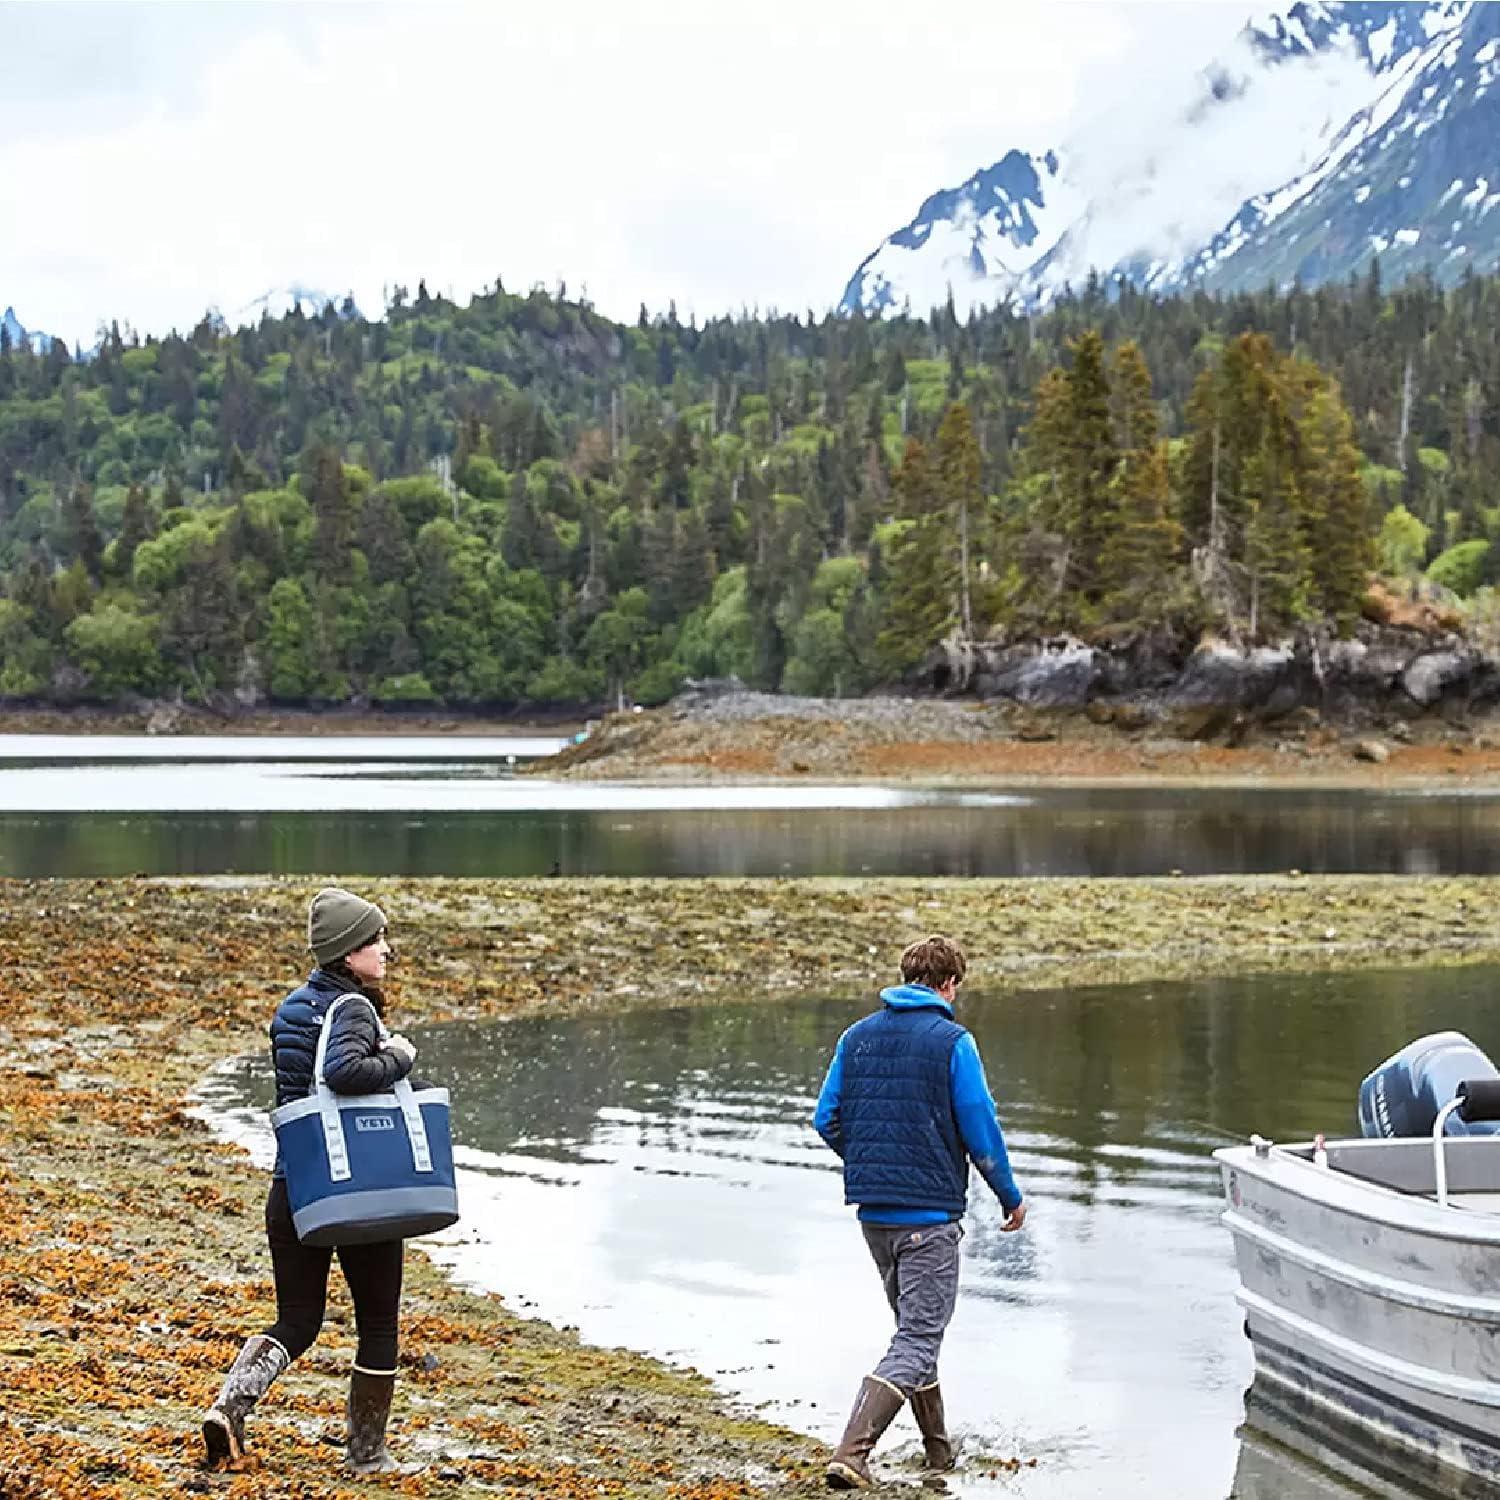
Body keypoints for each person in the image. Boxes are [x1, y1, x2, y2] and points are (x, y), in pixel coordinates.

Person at [201, 886, 421, 1474]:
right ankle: (367, 1454)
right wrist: (400, 1057)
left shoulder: (294, 1005)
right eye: (376, 940)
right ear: (350, 953)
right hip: (354, 1192)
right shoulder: (353, 1008)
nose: (386, 950)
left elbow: (305, 1086)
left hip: (294, 1187)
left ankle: (229, 1408)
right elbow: (345, 1073)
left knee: (297, 1320)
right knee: (377, 1323)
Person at [813, 934, 1026, 1490]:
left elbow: (825, 1118)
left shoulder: (855, 1037)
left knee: (914, 1334)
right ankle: (852, 1452)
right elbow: (980, 1126)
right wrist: (1009, 1195)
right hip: (928, 1219)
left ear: (906, 977)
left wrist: (871, 1161)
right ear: (950, 984)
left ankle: (939, 1455)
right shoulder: (953, 1041)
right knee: (919, 1338)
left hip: (875, 1217)